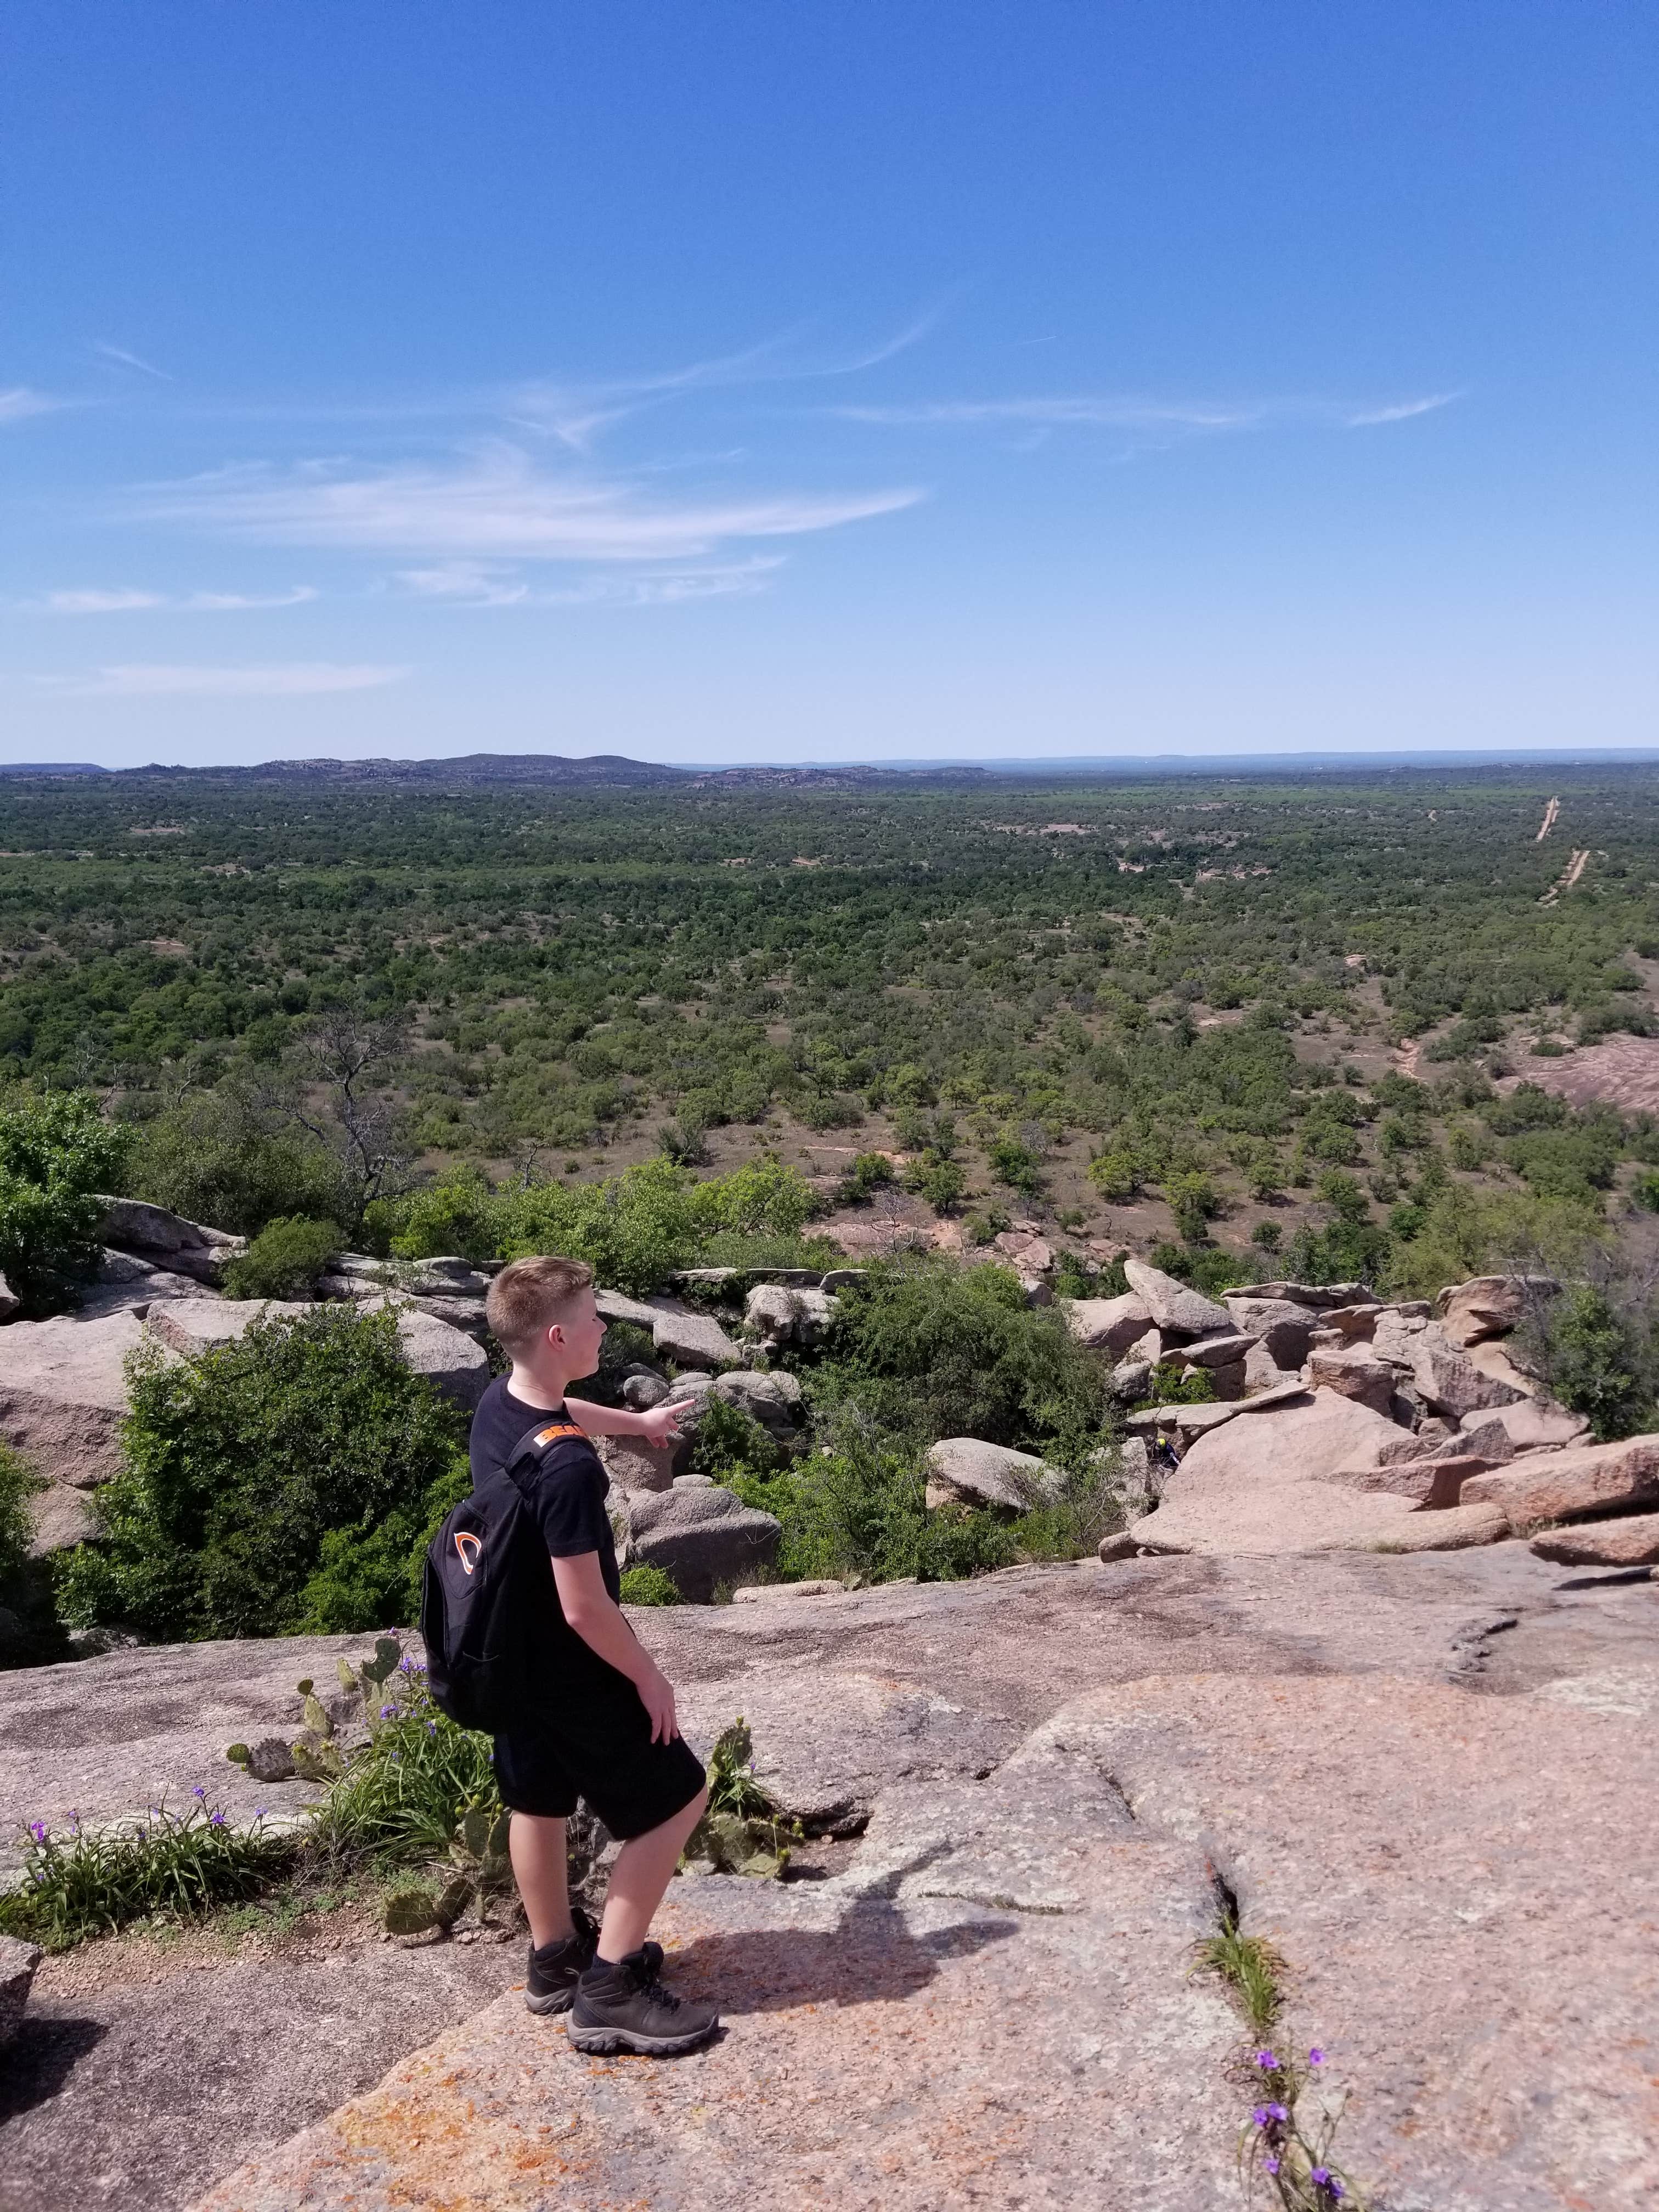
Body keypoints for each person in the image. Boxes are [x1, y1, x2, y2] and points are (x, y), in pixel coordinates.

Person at [472, 1251, 716, 2057]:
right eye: (592, 1320)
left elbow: (563, 1411)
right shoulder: (571, 1472)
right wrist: (650, 1677)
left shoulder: (499, 1407)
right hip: (572, 1665)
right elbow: (586, 1607)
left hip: (510, 1651)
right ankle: (609, 1988)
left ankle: (555, 1959)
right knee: (678, 1796)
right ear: (556, 1334)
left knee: (536, 1800)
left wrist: (640, 1425)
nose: (604, 1328)